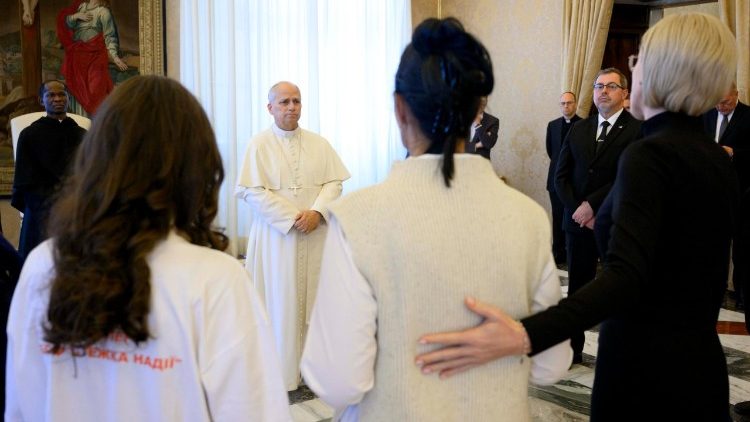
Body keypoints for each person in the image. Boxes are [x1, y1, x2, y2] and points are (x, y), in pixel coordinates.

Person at [415, 13, 739, 421]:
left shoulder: (649, 155)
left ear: (661, 71)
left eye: (638, 60)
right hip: (701, 367)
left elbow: (624, 277)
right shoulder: (715, 157)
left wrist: (525, 333)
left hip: (643, 373)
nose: (634, 68)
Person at [300, 18, 571, 422]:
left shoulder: (357, 218)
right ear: (477, 109)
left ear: (399, 107)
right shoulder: (528, 216)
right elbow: (551, 365)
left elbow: (338, 381)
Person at [5, 75, 291, 421]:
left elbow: (20, 406)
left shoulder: (44, 265)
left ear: (96, 158)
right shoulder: (216, 280)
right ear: (196, 166)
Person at [235, 81, 350, 391]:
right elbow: (251, 190)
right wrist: (292, 218)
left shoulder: (319, 144)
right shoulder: (258, 144)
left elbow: (335, 183)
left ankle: (314, 373)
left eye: (296, 101)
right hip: (277, 237)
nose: (291, 107)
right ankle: (283, 372)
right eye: (284, 102)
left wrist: (317, 213)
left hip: (315, 235)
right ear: (270, 107)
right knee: (280, 302)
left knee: (317, 303)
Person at [553, 67, 641, 364]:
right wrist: (578, 210)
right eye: (598, 86)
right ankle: (573, 350)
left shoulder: (637, 129)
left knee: (619, 291)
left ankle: (620, 353)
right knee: (578, 291)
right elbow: (560, 176)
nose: (603, 91)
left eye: (611, 86)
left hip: (616, 223)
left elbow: (628, 176)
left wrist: (592, 205)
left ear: (624, 93)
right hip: (577, 224)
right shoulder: (579, 128)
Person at [11, 80, 86, 262]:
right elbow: (24, 179)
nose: (57, 99)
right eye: (51, 95)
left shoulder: (82, 135)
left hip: (75, 205)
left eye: (62, 94)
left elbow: (90, 173)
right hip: (40, 206)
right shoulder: (29, 135)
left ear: (68, 98)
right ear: (41, 100)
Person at [703, 84, 750, 308]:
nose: (721, 106)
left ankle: (741, 294)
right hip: (710, 192)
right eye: (717, 102)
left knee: (741, 249)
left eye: (726, 102)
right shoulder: (706, 115)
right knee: (711, 246)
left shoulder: (747, 116)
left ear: (736, 95)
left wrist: (734, 153)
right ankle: (711, 288)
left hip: (742, 193)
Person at [57, 0, 128, 114]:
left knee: (96, 88)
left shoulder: (103, 11)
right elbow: (68, 24)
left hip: (95, 55)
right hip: (77, 56)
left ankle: (97, 119)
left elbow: (110, 36)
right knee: (78, 88)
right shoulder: (82, 7)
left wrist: (115, 57)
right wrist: (76, 16)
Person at [545, 91, 581, 265]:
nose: (566, 106)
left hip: (575, 182)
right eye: (563, 103)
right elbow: (551, 151)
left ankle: (572, 253)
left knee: (573, 218)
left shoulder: (584, 124)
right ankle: (557, 253)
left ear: (575, 104)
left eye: (569, 103)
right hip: (555, 181)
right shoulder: (552, 125)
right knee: (557, 216)